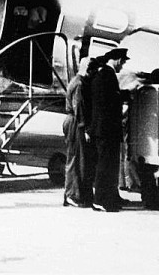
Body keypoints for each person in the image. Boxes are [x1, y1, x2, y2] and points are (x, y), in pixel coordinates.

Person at [88, 47, 129, 212]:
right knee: (105, 165)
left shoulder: (103, 74)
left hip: (105, 129)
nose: (123, 66)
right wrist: (124, 96)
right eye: (123, 62)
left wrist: (122, 94)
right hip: (106, 129)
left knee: (109, 165)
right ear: (118, 60)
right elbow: (109, 100)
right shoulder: (107, 75)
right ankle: (100, 200)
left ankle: (110, 197)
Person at [62, 56, 98, 208]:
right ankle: (72, 194)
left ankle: (76, 194)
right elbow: (80, 107)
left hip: (74, 121)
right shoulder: (80, 84)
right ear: (88, 69)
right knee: (76, 158)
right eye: (93, 70)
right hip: (76, 123)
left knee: (77, 158)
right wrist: (85, 128)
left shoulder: (78, 81)